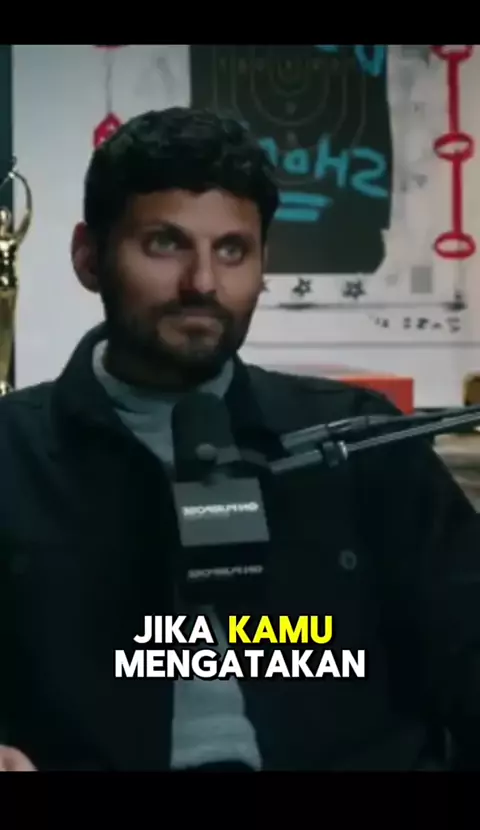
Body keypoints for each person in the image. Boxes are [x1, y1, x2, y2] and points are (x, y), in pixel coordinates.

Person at [1, 106, 479, 772]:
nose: (203, 283)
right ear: (89, 256)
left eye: (232, 250)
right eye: (165, 244)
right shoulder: (11, 454)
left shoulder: (363, 441)